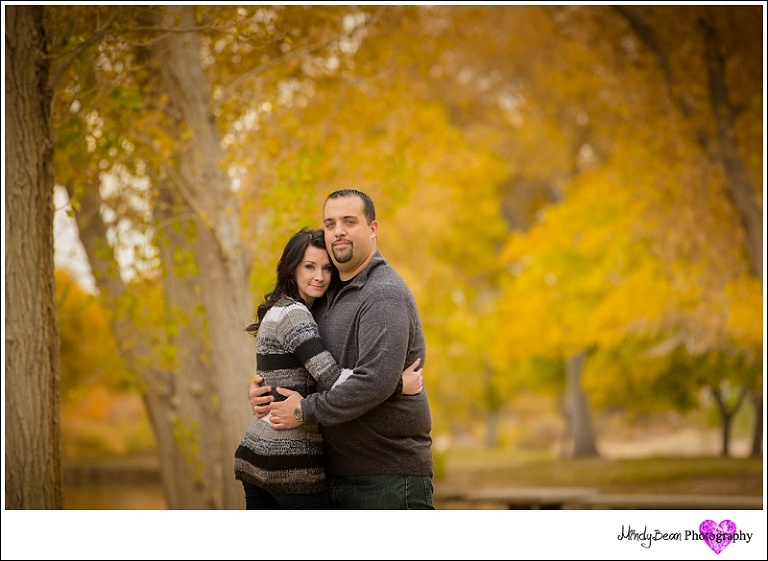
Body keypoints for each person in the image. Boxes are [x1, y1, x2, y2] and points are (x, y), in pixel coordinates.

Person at [250, 189, 434, 509]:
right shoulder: (323, 293)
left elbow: (373, 383)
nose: (338, 231)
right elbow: (302, 361)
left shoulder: (383, 294)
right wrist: (266, 390)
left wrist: (303, 410)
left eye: (349, 221)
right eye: (330, 223)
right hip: (331, 473)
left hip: (386, 477)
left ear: (373, 229)